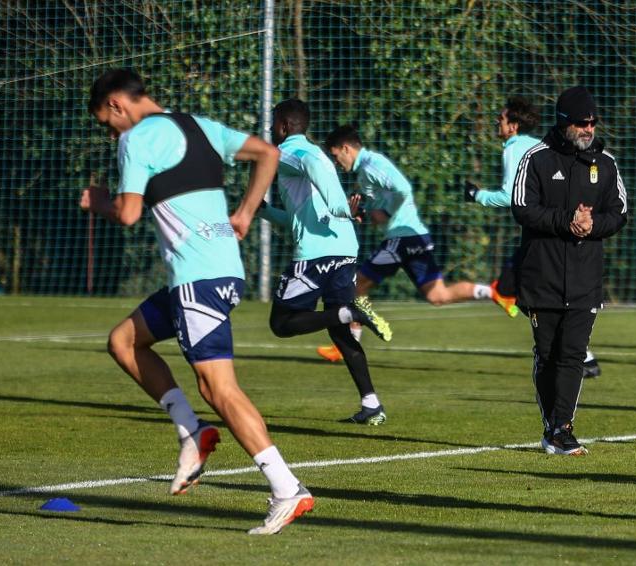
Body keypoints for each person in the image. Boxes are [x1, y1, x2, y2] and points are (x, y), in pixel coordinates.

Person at [79, 69, 312, 534]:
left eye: (106, 122)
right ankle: (193, 432)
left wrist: (100, 201)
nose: (110, 132)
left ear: (118, 106)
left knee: (218, 388)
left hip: (196, 281)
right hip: (219, 270)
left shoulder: (137, 140)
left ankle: (287, 489)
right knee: (123, 341)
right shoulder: (200, 125)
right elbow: (267, 154)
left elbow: (127, 213)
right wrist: (245, 213)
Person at [259, 99, 392, 426]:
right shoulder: (308, 155)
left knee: (281, 323)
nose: (272, 129)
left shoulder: (293, 151)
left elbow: (314, 168)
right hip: (344, 248)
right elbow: (296, 219)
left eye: (275, 123)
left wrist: (342, 207)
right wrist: (260, 211)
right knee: (337, 330)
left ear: (285, 126)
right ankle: (371, 404)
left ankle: (352, 311)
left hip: (317, 255)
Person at [315, 125, 498, 362]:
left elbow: (403, 188)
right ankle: (494, 292)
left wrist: (387, 213)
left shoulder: (371, 166)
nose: (336, 162)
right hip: (416, 236)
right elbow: (382, 203)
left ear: (345, 148)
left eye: (335, 155)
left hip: (402, 238)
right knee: (438, 295)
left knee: (355, 285)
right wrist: (364, 211)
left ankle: (347, 347)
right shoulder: (366, 170)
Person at [510, 86, 628, 455]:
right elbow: (522, 208)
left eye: (592, 122)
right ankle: (551, 427)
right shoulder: (536, 159)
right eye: (581, 123)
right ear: (563, 123)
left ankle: (562, 428)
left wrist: (593, 226)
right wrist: (566, 221)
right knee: (547, 354)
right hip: (541, 276)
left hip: (584, 279)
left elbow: (619, 212)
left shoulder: (605, 163)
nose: (588, 129)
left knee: (573, 354)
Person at [463, 96, 601, 377]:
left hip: (542, 235)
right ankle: (581, 356)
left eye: (500, 119)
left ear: (513, 126)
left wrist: (477, 195)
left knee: (519, 293)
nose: (496, 123)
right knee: (534, 294)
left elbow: (510, 197)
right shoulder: (540, 144)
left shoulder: (515, 149)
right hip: (559, 231)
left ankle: (578, 356)